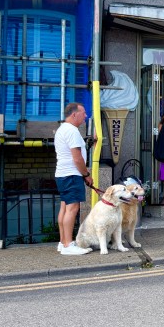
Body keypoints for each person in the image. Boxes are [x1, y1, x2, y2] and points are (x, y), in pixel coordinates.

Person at [54, 102, 93, 255]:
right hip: (71, 174)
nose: (86, 116)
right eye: (83, 113)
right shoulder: (72, 131)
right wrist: (86, 175)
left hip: (63, 174)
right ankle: (68, 245)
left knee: (64, 208)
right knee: (72, 208)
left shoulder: (62, 129)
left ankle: (63, 242)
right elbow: (77, 158)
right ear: (74, 114)